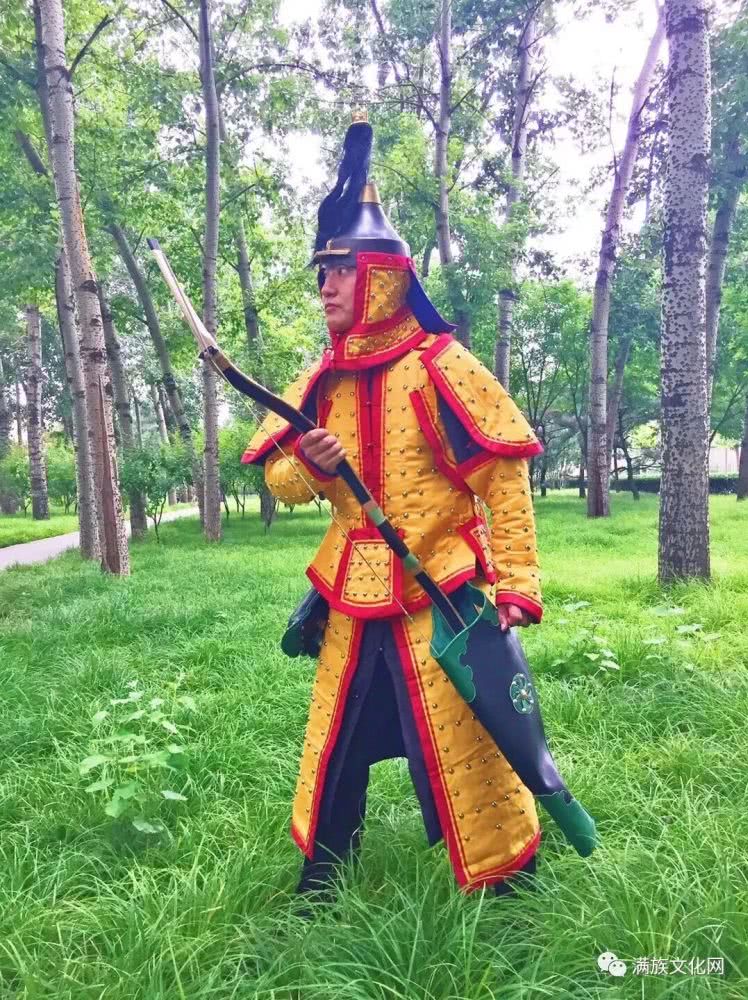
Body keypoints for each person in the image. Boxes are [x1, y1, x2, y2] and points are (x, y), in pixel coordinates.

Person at [242, 114, 543, 910]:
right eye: (321, 275)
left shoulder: (443, 366)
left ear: (382, 276)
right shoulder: (322, 381)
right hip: (349, 591)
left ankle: (507, 880)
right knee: (334, 740)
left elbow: (502, 475)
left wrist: (515, 581)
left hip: (438, 585)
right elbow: (279, 482)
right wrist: (308, 465)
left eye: (340, 272)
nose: (325, 288)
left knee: (468, 738)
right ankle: (322, 877)